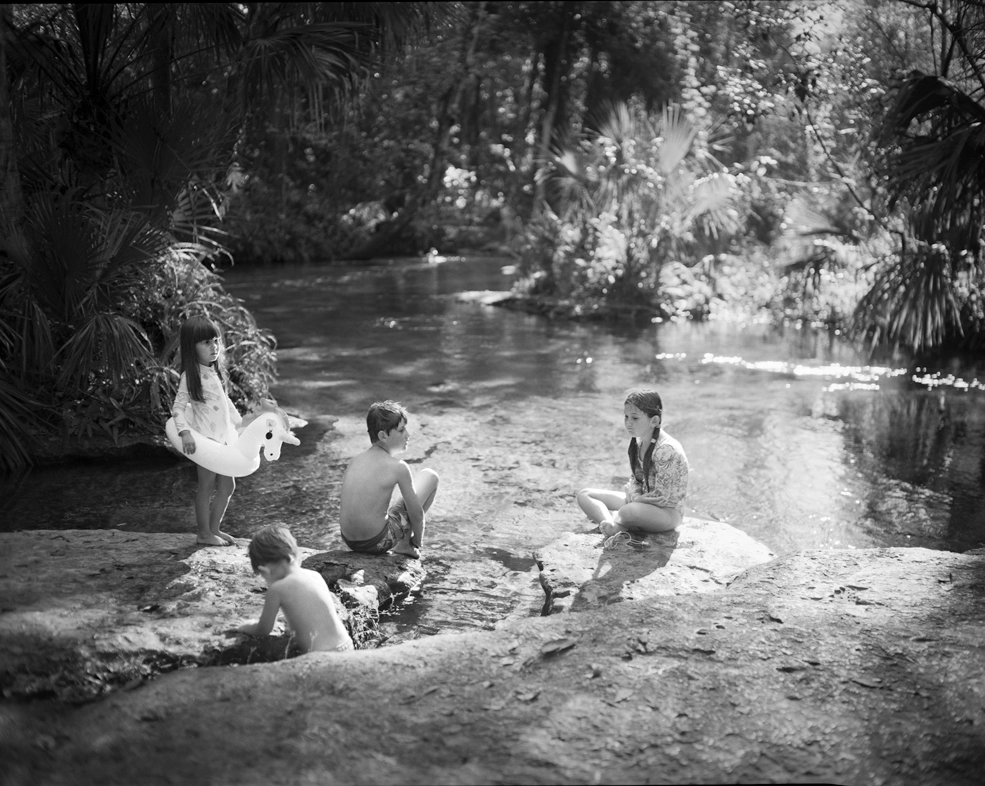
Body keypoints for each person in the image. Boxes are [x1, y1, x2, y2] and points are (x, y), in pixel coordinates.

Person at [576, 388, 689, 546]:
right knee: (585, 495)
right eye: (626, 416)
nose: (628, 423)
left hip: (666, 512)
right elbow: (636, 479)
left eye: (635, 418)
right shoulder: (640, 441)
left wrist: (634, 498)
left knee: (627, 511)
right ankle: (611, 524)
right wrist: (635, 495)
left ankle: (620, 522)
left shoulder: (666, 450)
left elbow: (662, 497)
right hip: (641, 500)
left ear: (654, 421)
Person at [172, 315, 243, 547]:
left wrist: (239, 422)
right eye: (206, 343)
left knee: (228, 486)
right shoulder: (190, 376)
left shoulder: (215, 372)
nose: (214, 347)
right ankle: (203, 533)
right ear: (192, 347)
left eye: (216, 340)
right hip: (207, 442)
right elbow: (178, 408)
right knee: (207, 485)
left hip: (223, 441)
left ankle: (214, 529)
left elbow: (225, 402)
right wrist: (185, 433)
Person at [339, 400, 439, 560]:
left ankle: (402, 542)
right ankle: (404, 545)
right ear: (383, 435)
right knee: (430, 476)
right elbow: (416, 514)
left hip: (350, 541)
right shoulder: (398, 467)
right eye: (401, 430)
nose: (408, 434)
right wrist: (417, 541)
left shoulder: (355, 460)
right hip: (377, 542)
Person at [236, 524, 354, 653]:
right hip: (346, 645)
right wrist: (290, 617)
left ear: (265, 570)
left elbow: (263, 629)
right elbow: (315, 609)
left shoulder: (277, 589)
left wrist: (244, 626)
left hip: (321, 655)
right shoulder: (315, 575)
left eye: (262, 576)